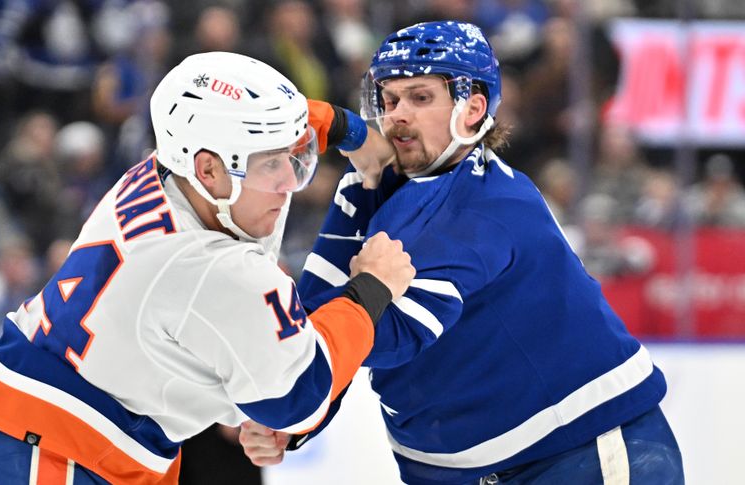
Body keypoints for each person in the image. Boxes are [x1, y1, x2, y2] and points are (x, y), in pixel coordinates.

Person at [240, 21, 684, 484]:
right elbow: (324, 319)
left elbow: (388, 333)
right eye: (389, 100)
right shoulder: (376, 187)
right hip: (459, 471)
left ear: (472, 108)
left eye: (421, 97)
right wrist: (302, 414)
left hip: (580, 454)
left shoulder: (486, 205)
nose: (397, 115)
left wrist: (305, 380)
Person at [0, 51, 415, 485]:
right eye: (272, 165)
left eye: (296, 160)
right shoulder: (216, 269)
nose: (290, 183)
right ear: (208, 169)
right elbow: (298, 398)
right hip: (59, 459)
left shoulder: (163, 168)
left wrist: (352, 132)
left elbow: (296, 119)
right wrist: (370, 291)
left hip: (27, 431)